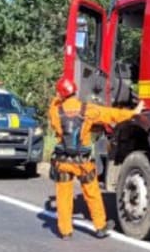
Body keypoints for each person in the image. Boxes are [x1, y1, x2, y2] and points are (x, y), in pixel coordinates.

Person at [49, 77, 142, 239]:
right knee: (92, 193)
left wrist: (58, 98)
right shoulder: (87, 110)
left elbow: (53, 108)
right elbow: (112, 115)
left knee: (63, 195)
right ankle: (100, 226)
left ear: (61, 93)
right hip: (82, 162)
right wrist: (133, 112)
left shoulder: (55, 112)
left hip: (63, 161)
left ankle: (65, 231)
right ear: (75, 91)